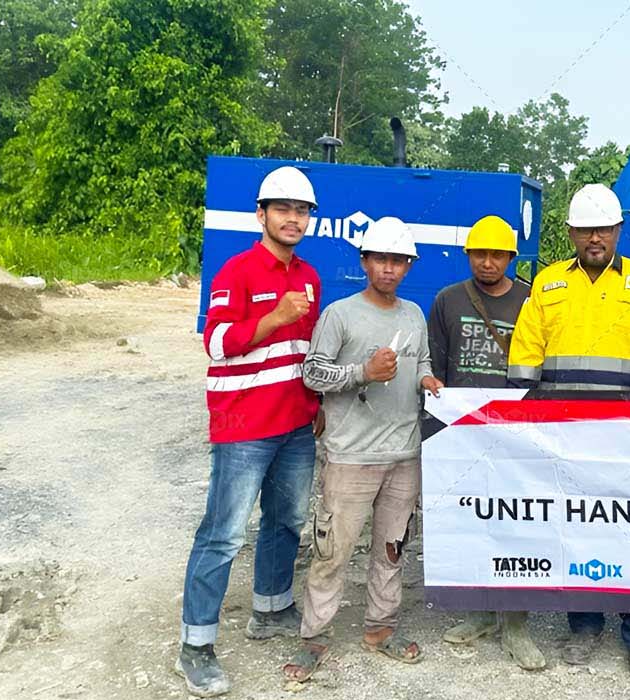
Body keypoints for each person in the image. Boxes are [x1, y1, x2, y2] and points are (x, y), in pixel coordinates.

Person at [506, 183, 630, 683]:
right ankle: (584, 625)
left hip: (627, 434)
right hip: (565, 434)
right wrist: (526, 414)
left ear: (618, 230)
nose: (594, 238)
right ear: (571, 233)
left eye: (603, 229)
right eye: (585, 230)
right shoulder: (548, 283)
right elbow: (527, 350)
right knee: (578, 529)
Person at [178, 166, 323, 697]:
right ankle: (196, 645)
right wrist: (273, 317)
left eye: (301, 210)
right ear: (261, 215)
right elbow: (217, 343)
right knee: (223, 535)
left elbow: (305, 353)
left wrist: (317, 405)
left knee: (286, 522)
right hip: (243, 427)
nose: (293, 218)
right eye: (283, 209)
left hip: (296, 424)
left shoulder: (309, 277)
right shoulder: (236, 271)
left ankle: (271, 609)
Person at [282, 216, 445, 682]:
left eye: (398, 261)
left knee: (392, 549)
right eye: (381, 259)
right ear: (364, 261)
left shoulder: (413, 315)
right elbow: (313, 373)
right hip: (350, 456)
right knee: (332, 552)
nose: (389, 268)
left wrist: (426, 379)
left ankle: (381, 628)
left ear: (409, 265)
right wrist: (362, 373)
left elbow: (421, 361)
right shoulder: (340, 314)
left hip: (403, 454)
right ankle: (314, 638)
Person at [429, 215, 543, 670]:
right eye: (480, 254)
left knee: (517, 520)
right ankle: (479, 612)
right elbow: (437, 364)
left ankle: (515, 622)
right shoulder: (448, 300)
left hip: (516, 430)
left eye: (497, 255)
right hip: (463, 431)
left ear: (511, 258)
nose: (488, 262)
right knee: (471, 518)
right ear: (469, 255)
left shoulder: (530, 299)